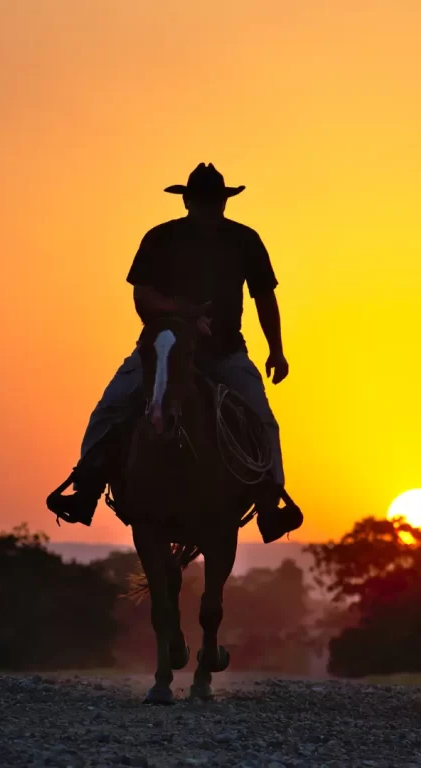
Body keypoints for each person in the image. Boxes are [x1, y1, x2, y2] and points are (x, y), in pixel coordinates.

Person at [47, 163, 302, 543]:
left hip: (225, 352)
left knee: (262, 419)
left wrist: (276, 350)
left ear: (223, 202)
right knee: (111, 408)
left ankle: (269, 504)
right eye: (203, 200)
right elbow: (142, 297)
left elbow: (264, 296)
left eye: (214, 201)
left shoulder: (245, 240)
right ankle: (86, 489)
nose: (208, 207)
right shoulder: (160, 238)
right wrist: (186, 312)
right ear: (187, 201)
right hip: (162, 349)